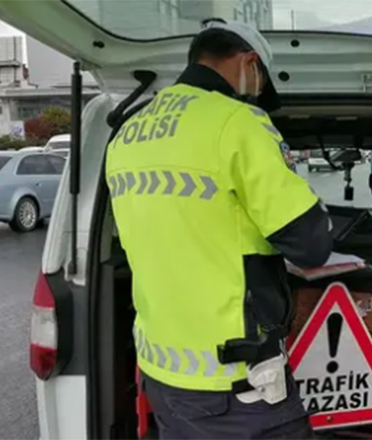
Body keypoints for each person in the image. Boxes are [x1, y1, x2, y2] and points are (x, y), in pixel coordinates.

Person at [106, 18, 333, 439]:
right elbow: (310, 244)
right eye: (260, 83)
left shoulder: (127, 132)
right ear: (250, 63)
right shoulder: (236, 122)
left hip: (162, 372)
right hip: (236, 387)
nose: (257, 95)